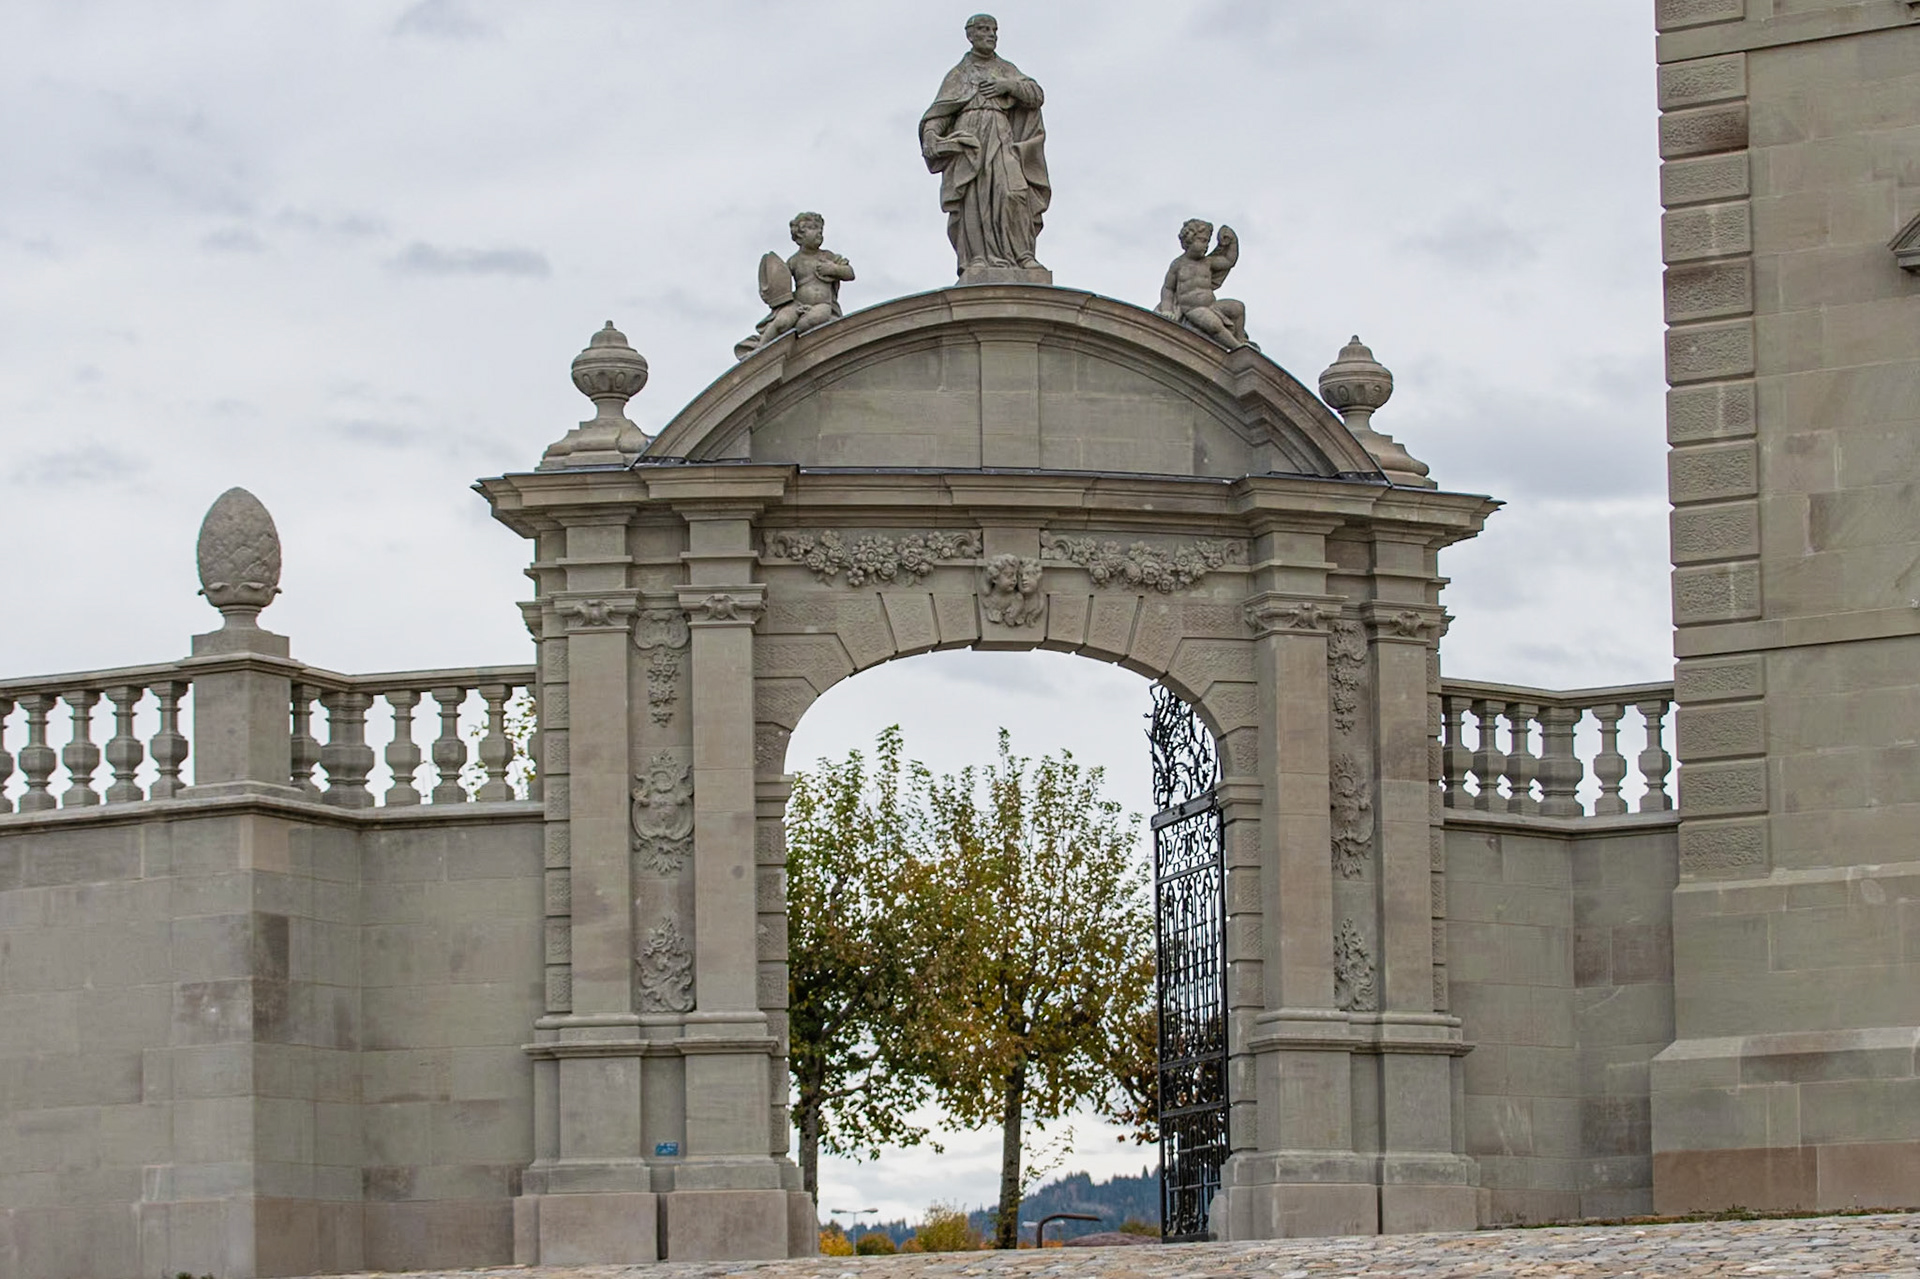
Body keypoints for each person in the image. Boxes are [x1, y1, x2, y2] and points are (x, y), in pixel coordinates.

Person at [919, 14, 1051, 279]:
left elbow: (1036, 95)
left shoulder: (1006, 69)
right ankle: (976, 257)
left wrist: (1007, 86)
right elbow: (940, 112)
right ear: (970, 35)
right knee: (975, 198)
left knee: (1014, 192)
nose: (990, 35)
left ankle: (1022, 254)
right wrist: (932, 135)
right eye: (983, 29)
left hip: (1001, 135)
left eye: (994, 30)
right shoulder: (959, 74)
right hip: (970, 141)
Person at [734, 212, 855, 360]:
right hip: (797, 304)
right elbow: (779, 284)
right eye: (813, 228)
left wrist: (833, 269)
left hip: (822, 305)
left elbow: (849, 273)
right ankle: (759, 349)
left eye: (820, 229)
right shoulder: (794, 261)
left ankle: (794, 345)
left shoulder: (828, 256)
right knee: (782, 322)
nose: (819, 232)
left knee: (815, 319)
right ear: (800, 236)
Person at [1157, 219, 1256, 350]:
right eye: (1202, 241)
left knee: (1237, 307)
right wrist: (1167, 310)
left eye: (1207, 242)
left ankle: (1241, 339)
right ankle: (1237, 348)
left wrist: (1232, 241)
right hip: (1193, 309)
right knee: (1213, 324)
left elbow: (1229, 260)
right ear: (1189, 240)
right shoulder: (1178, 265)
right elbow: (1168, 288)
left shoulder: (1207, 262)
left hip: (1211, 305)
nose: (1206, 246)